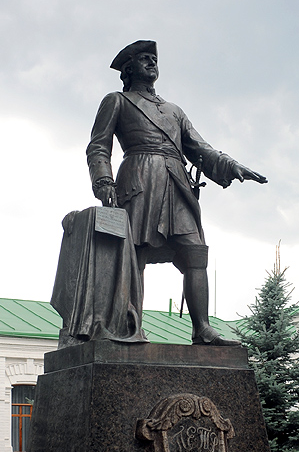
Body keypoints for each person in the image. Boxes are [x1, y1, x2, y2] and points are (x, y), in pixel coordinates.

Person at [86, 40, 267, 345]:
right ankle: (129, 325)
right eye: (144, 58)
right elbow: (98, 146)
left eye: (154, 58)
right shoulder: (117, 101)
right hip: (140, 178)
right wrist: (104, 181)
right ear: (129, 68)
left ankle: (202, 329)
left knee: (195, 252)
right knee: (134, 254)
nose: (152, 63)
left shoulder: (174, 110)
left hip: (176, 182)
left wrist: (232, 165)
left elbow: (200, 148)